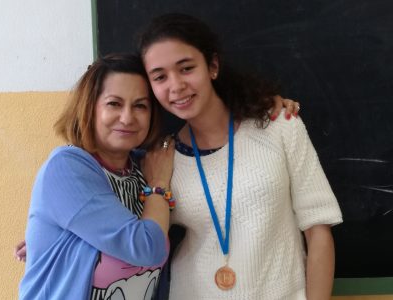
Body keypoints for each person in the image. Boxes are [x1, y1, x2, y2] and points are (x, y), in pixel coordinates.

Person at [138, 13, 343, 300]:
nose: (175, 86)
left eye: (186, 68)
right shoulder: (162, 158)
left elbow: (318, 228)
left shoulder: (278, 125)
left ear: (212, 66)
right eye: (160, 77)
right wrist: (157, 184)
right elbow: (147, 249)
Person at [19, 53, 176, 299]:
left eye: (140, 106)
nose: (127, 118)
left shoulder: (142, 166)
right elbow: (147, 247)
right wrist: (157, 187)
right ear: (89, 107)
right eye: (114, 103)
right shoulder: (67, 168)